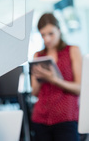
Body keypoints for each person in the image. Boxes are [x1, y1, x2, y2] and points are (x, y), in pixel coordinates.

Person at [30, 13, 82, 141]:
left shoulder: (72, 51)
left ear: (59, 30)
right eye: (43, 35)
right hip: (41, 118)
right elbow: (35, 93)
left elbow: (79, 88)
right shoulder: (38, 56)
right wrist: (39, 78)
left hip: (66, 118)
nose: (47, 39)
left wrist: (55, 80)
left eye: (50, 34)